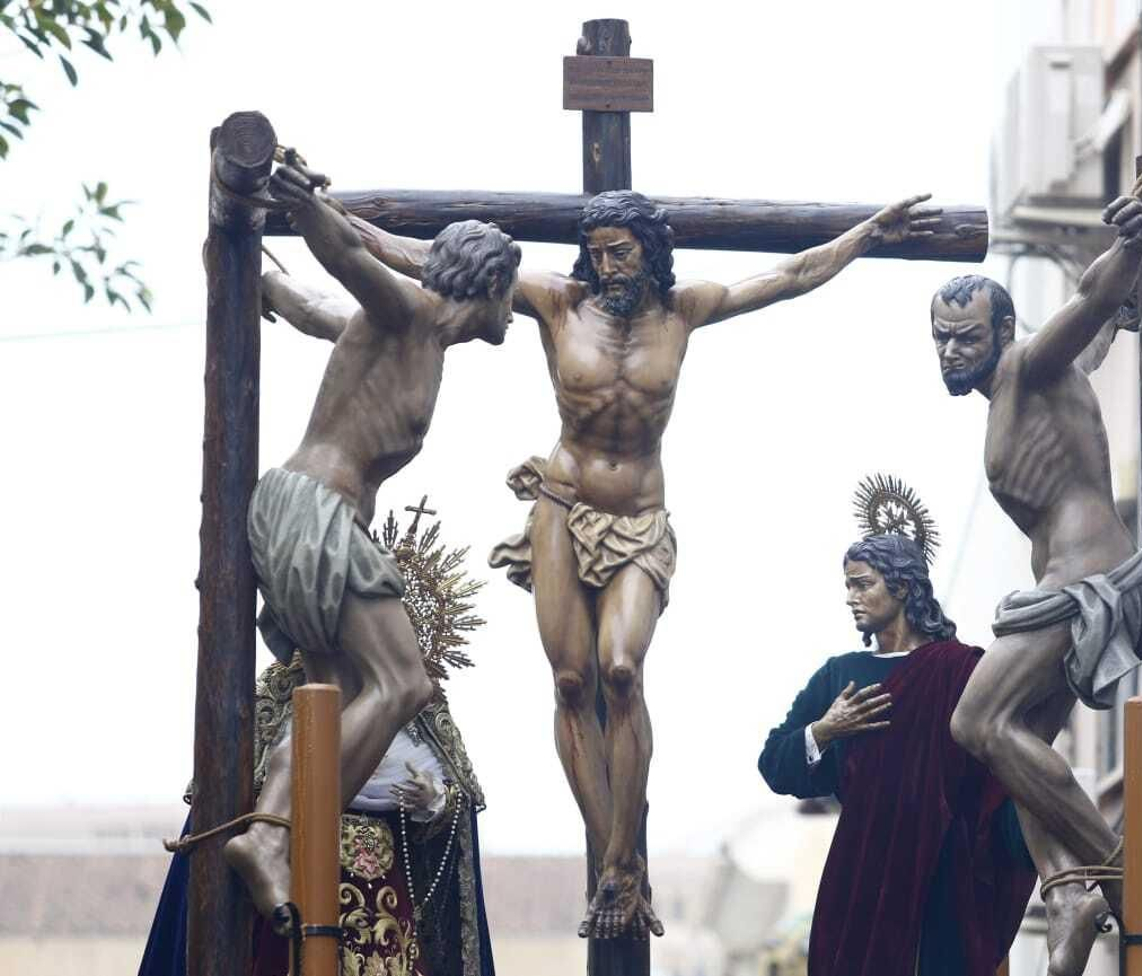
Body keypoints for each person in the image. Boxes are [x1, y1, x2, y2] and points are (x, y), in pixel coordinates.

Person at [349, 189, 940, 938]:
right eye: (596, 253)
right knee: (572, 683)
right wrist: (328, 217)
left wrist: (867, 234)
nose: (606, 267)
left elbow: (789, 276)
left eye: (620, 252)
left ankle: (624, 860)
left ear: (651, 251)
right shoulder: (558, 303)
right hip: (563, 506)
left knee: (622, 670)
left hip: (637, 518)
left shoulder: (683, 311)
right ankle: (614, 868)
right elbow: (432, 262)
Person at [211, 155, 521, 927]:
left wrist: (253, 272)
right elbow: (347, 257)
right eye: (511, 292)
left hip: (304, 513)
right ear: (489, 282)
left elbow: (312, 306)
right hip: (319, 513)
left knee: (337, 699)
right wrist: (304, 205)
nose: (516, 312)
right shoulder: (408, 312)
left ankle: (274, 839)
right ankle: (275, 835)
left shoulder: (403, 336)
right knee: (403, 684)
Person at [936, 194, 1142, 976]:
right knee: (1017, 742)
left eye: (966, 337)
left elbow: (1091, 301)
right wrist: (1115, 312)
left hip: (1090, 577)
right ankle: (1067, 894)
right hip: (1063, 582)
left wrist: (1134, 243)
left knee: (975, 721)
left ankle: (1119, 871)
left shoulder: (1029, 364)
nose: (950, 351)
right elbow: (1101, 334)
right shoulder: (1018, 388)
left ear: (1003, 331)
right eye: (940, 337)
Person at [759, 528, 1036, 976]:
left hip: (943, 874)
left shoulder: (962, 669)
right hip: (862, 874)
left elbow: (999, 771)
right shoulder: (841, 674)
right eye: (848, 586)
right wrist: (825, 730)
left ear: (903, 586)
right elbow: (774, 763)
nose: (850, 597)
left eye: (862, 584)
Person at [141, 664, 497, 976]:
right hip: (302, 871)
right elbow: (243, 791)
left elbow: (454, 809)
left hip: (385, 892)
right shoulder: (281, 702)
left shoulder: (412, 708)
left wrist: (434, 800)